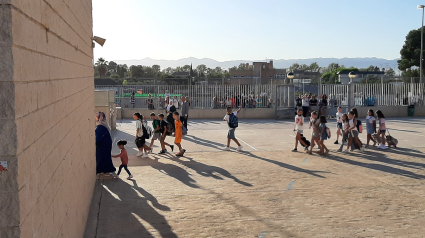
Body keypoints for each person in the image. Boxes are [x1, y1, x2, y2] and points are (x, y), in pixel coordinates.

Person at [95, 112, 116, 176]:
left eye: (96, 116)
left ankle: (102, 170)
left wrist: (96, 144)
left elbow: (98, 138)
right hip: (107, 143)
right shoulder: (104, 124)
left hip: (103, 144)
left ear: (99, 118)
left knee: (101, 157)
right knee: (106, 157)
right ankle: (107, 169)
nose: (95, 117)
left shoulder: (100, 127)